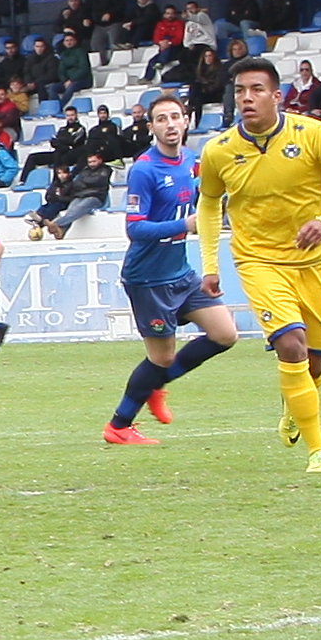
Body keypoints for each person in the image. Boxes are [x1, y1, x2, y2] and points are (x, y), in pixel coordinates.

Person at [195, 56, 321, 477]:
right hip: (257, 260)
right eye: (240, 91)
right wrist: (210, 264)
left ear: (277, 96)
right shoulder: (219, 150)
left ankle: (296, 406)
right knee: (291, 344)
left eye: (256, 90)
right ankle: (319, 450)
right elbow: (207, 204)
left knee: (315, 363)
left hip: (312, 263)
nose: (247, 98)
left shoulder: (313, 135)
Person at [101, 93, 239, 445]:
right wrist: (186, 226)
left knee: (225, 334)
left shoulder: (191, 160)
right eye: (161, 119)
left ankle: (156, 384)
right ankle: (119, 425)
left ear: (186, 120)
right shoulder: (145, 170)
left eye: (175, 116)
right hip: (149, 278)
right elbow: (135, 228)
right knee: (159, 358)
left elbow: (201, 195)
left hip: (180, 272)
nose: (170, 124)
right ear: (151, 127)